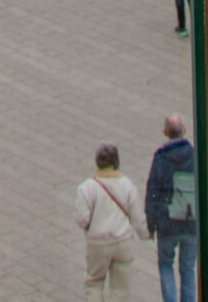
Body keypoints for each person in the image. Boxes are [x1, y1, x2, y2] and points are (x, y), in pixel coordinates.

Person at [75, 143, 150, 294]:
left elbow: (81, 219)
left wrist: (90, 226)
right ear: (117, 162)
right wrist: (146, 234)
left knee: (94, 282)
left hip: (98, 243)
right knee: (121, 288)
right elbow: (137, 218)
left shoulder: (86, 188)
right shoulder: (127, 185)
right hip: (123, 242)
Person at [144, 114, 198, 302]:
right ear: (184, 130)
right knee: (188, 268)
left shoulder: (161, 158)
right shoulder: (195, 156)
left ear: (165, 132)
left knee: (166, 266)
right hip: (191, 222)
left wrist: (151, 226)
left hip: (167, 224)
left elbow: (152, 193)